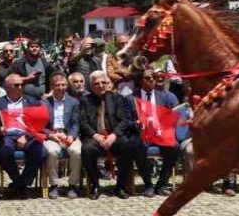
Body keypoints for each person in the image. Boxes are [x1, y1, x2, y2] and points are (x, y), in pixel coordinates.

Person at [80, 70, 137, 199]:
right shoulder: (85, 100)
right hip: (94, 137)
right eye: (96, 84)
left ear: (107, 83)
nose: (100, 85)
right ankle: (95, 185)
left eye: (103, 82)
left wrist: (114, 135)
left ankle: (121, 186)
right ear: (91, 86)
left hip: (113, 136)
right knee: (87, 149)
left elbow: (124, 120)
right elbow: (83, 122)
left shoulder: (117, 98)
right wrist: (95, 136)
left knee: (127, 146)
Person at [0, 73, 45, 199]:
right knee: (3, 152)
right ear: (7, 88)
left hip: (27, 135)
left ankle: (21, 183)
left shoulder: (32, 101)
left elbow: (39, 123)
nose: (20, 87)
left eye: (22, 85)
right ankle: (20, 183)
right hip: (8, 136)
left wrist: (27, 137)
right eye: (16, 85)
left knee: (41, 152)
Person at [130, 69, 179, 196]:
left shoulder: (165, 96)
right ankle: (148, 184)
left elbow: (176, 116)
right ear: (141, 80)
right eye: (148, 78)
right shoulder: (131, 98)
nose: (152, 80)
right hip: (142, 134)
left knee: (175, 147)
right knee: (138, 145)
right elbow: (124, 120)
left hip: (160, 134)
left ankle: (162, 184)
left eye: (154, 77)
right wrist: (135, 123)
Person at [41, 72, 82, 199]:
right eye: (58, 85)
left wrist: (72, 135)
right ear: (51, 86)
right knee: (52, 152)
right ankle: (54, 185)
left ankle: (72, 185)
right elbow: (40, 126)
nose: (61, 88)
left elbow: (76, 122)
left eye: (63, 85)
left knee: (77, 151)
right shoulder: (43, 103)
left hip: (68, 134)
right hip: (52, 135)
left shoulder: (73, 102)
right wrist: (51, 135)